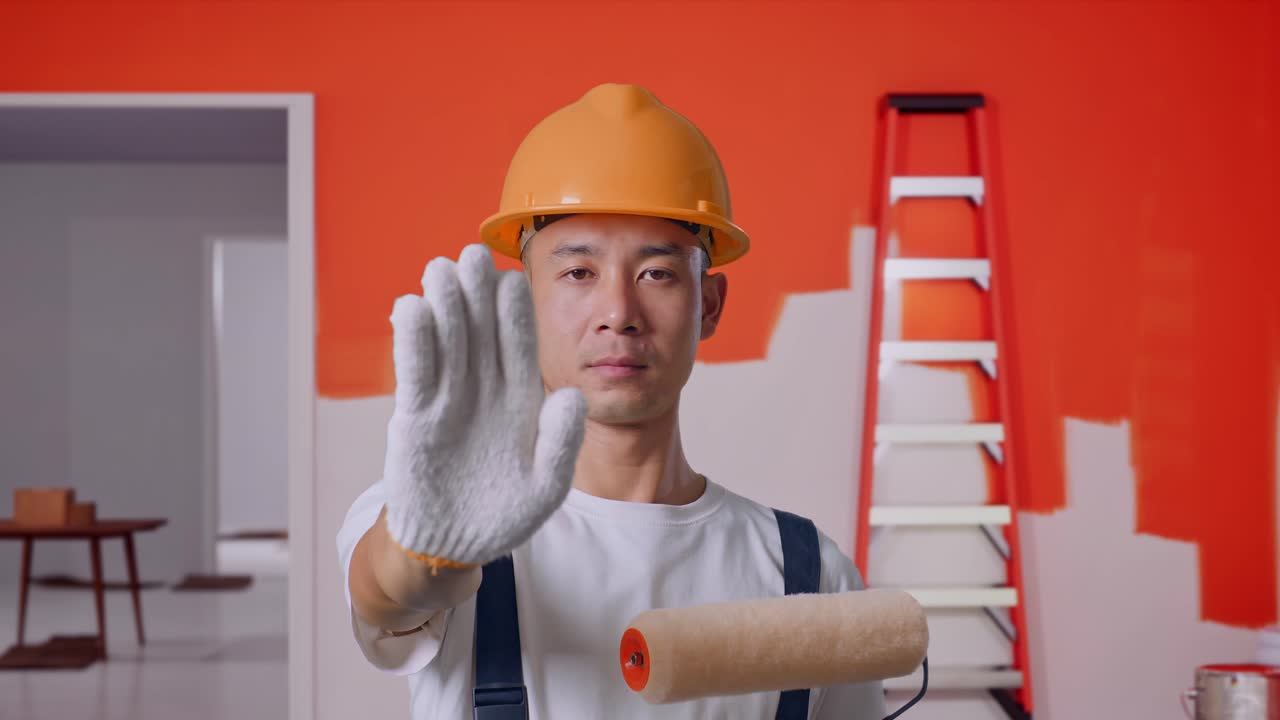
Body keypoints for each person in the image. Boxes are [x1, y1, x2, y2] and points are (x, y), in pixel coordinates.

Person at [337, 83, 886, 719]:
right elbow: (388, 595)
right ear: (528, 303)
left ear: (708, 304)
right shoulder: (431, 516)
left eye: (657, 272)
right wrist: (427, 553)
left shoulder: (810, 574)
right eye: (578, 272)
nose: (619, 313)